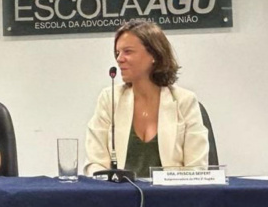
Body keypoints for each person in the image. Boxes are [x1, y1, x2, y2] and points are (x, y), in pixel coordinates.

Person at [84, 20, 209, 178]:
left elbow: (197, 168)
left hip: (172, 192)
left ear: (154, 55)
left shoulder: (184, 101)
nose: (119, 59)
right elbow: (95, 163)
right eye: (117, 53)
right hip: (118, 192)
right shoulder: (110, 99)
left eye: (128, 51)